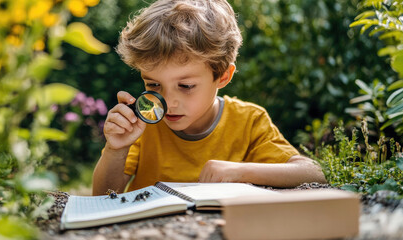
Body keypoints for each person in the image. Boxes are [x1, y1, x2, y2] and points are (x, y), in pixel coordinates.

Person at [92, 0, 326, 195]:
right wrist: (116, 149)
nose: (168, 102)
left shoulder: (248, 121)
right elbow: (103, 197)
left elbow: (313, 173)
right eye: (153, 84)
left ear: (223, 76)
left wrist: (239, 172)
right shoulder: (143, 125)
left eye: (186, 86)